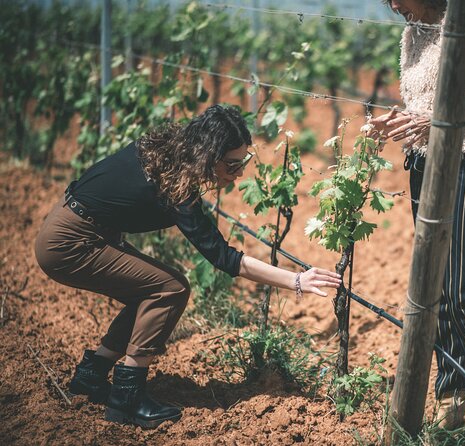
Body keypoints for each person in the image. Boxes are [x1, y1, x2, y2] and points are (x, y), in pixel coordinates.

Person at [34, 105, 341, 429]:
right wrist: (295, 280)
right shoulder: (175, 185)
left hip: (77, 228)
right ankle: (127, 398)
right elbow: (225, 258)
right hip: (69, 243)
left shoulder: (166, 156)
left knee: (150, 290)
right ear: (208, 156)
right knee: (170, 288)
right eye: (232, 164)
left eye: (243, 162)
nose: (238, 174)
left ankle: (91, 376)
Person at [371, 1, 465, 444]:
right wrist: (400, 121)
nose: (393, 4)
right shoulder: (414, 33)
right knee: (433, 286)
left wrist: (437, 118)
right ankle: (454, 394)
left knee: (464, 290)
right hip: (426, 163)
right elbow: (425, 101)